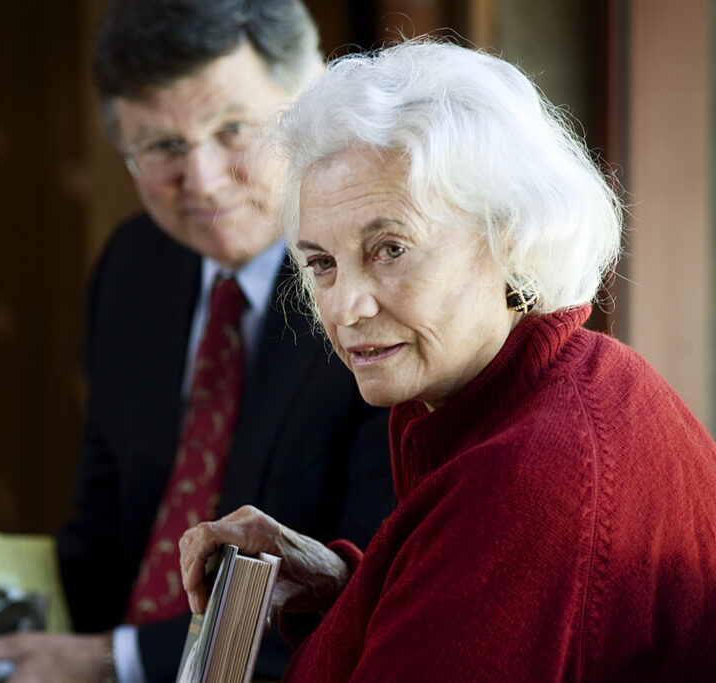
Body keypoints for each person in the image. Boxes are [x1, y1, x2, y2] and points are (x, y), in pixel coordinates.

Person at [179, 38, 716, 681]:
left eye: (390, 249)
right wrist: (339, 581)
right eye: (321, 262)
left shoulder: (530, 481)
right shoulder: (590, 376)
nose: (346, 307)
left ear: (510, 237)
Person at [0, 1, 395, 681]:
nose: (204, 180)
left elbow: (366, 599)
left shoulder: (371, 298)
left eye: (235, 130)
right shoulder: (133, 269)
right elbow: (104, 532)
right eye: (162, 146)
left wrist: (110, 661)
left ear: (309, 105)